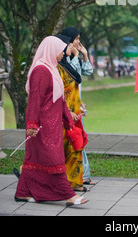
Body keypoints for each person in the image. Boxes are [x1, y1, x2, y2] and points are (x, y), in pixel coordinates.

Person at [14, 36, 88, 206]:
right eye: (62, 50)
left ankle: (23, 192)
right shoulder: (41, 71)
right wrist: (31, 124)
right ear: (51, 50)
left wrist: (68, 119)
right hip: (41, 126)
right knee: (54, 160)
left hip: (52, 125)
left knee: (35, 158)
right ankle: (68, 194)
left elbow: (60, 100)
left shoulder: (52, 69)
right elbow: (35, 99)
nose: (64, 54)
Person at [61, 27, 95, 186]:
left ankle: (84, 175)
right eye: (76, 39)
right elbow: (73, 76)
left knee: (79, 139)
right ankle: (80, 176)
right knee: (74, 140)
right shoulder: (63, 59)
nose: (78, 42)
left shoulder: (73, 57)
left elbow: (88, 71)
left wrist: (85, 55)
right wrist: (75, 56)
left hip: (76, 105)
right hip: (68, 107)